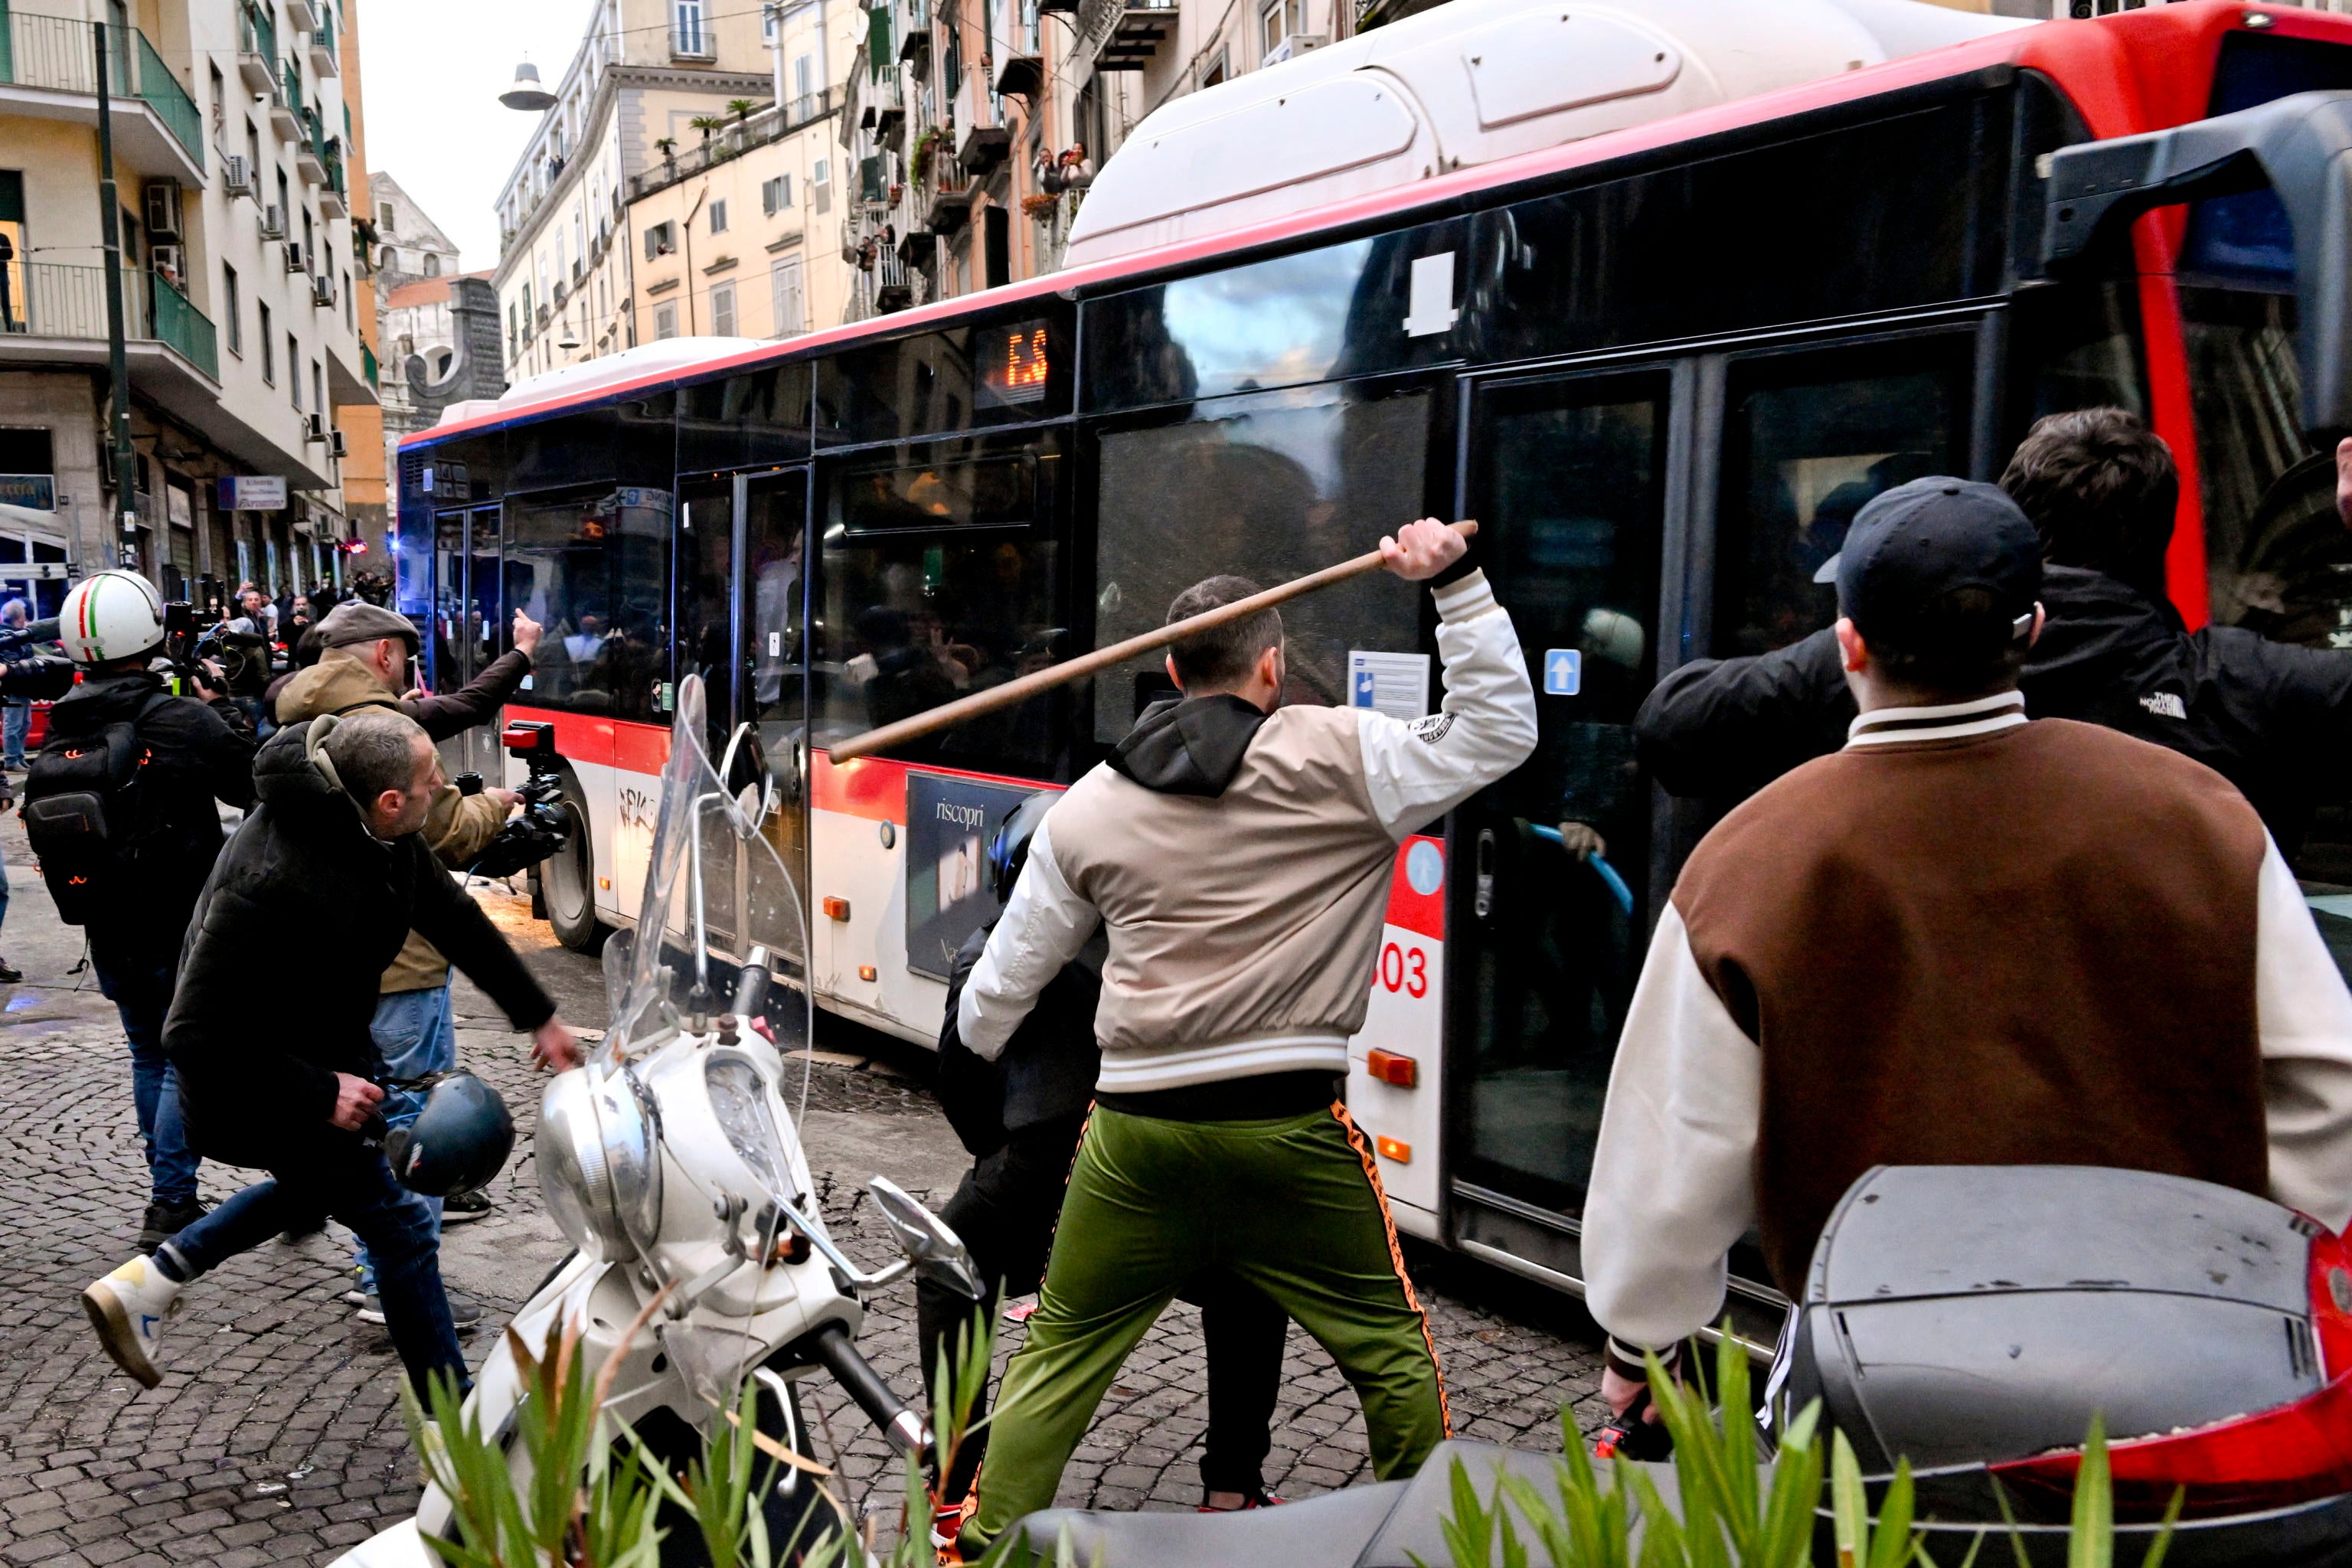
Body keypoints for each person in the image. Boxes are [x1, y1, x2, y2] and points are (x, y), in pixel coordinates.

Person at [1581, 478, 2352, 1429]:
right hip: (2175, 1367)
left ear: (1849, 643)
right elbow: (2331, 1086)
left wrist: (1643, 1342)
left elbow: (1672, 1155)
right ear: (2030, 630)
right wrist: (2249, 1262)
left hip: (1879, 1383)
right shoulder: (2196, 814)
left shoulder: (1748, 860)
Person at [952, 518, 1537, 1550]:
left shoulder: (1091, 803)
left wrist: (987, 1063)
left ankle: (985, 1549)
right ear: (1273, 665)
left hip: (1135, 1137)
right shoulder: (1348, 757)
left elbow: (1002, 989)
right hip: (1290, 1131)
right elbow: (1498, 731)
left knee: (1062, 1358)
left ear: (1173, 669)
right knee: (1391, 1357)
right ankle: (1428, 1544)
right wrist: (1457, 587)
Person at [79, 707, 582, 1398]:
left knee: (323, 1187)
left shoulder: (380, 831)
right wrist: (322, 1092)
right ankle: (453, 1429)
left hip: (327, 1059)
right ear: (390, 799)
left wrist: (540, 1018)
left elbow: (453, 919)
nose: (444, 790)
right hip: (262, 1085)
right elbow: (192, 1035)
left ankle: (152, 1279)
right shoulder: (268, 881)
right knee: (402, 1228)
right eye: (433, 781)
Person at [1633, 409, 2352, 857]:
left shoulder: (1899, 663)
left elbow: (1673, 724)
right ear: (2162, 539)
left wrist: (1861, 638)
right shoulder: (2243, 688)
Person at [925, 799, 1290, 1547]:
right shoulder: (1161, 940)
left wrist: (997, 1157)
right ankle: (1232, 1486)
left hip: (1045, 1168)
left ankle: (957, 1474)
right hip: (1162, 1164)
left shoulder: (992, 948)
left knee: (947, 1264)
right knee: (1249, 1281)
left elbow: (957, 1079)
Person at [275, 598, 543, 1317]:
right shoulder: (383, 729)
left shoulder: (300, 715)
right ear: (387, 655)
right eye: (407, 659)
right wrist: (505, 806)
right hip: (397, 962)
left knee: (371, 1120)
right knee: (415, 1127)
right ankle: (395, 1286)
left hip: (330, 959)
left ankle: (371, 1262)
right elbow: (449, 834)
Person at [33, 571, 256, 1248]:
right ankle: (173, 1203)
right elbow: (252, 781)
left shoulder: (64, 723)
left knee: (149, 1054)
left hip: (106, 920)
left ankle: (172, 1195)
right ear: (149, 635)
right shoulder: (179, 719)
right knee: (194, 1056)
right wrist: (224, 704)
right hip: (185, 924)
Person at [2, 596, 31, 771]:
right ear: (20, 617)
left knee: (24, 724)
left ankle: (18, 756)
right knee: (13, 724)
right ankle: (12, 760)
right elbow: (16, 660)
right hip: (13, 686)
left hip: (22, 686)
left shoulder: (15, 635)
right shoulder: (7, 636)